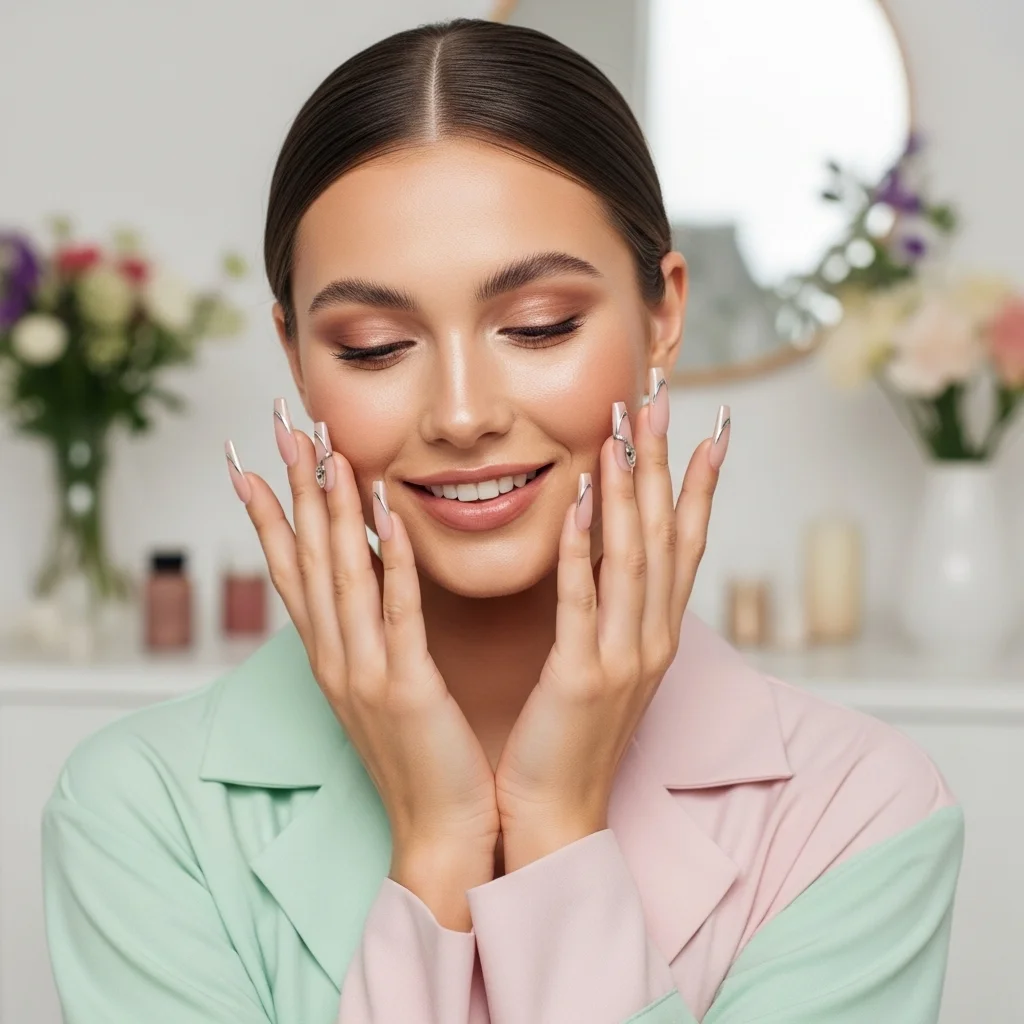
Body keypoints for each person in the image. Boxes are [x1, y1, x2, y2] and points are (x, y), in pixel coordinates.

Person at [40, 16, 964, 1024]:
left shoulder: (857, 812)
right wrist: (437, 843)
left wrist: (557, 830)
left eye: (538, 326)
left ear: (662, 314)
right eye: (373, 345)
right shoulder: (140, 812)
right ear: (295, 355)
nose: (462, 413)